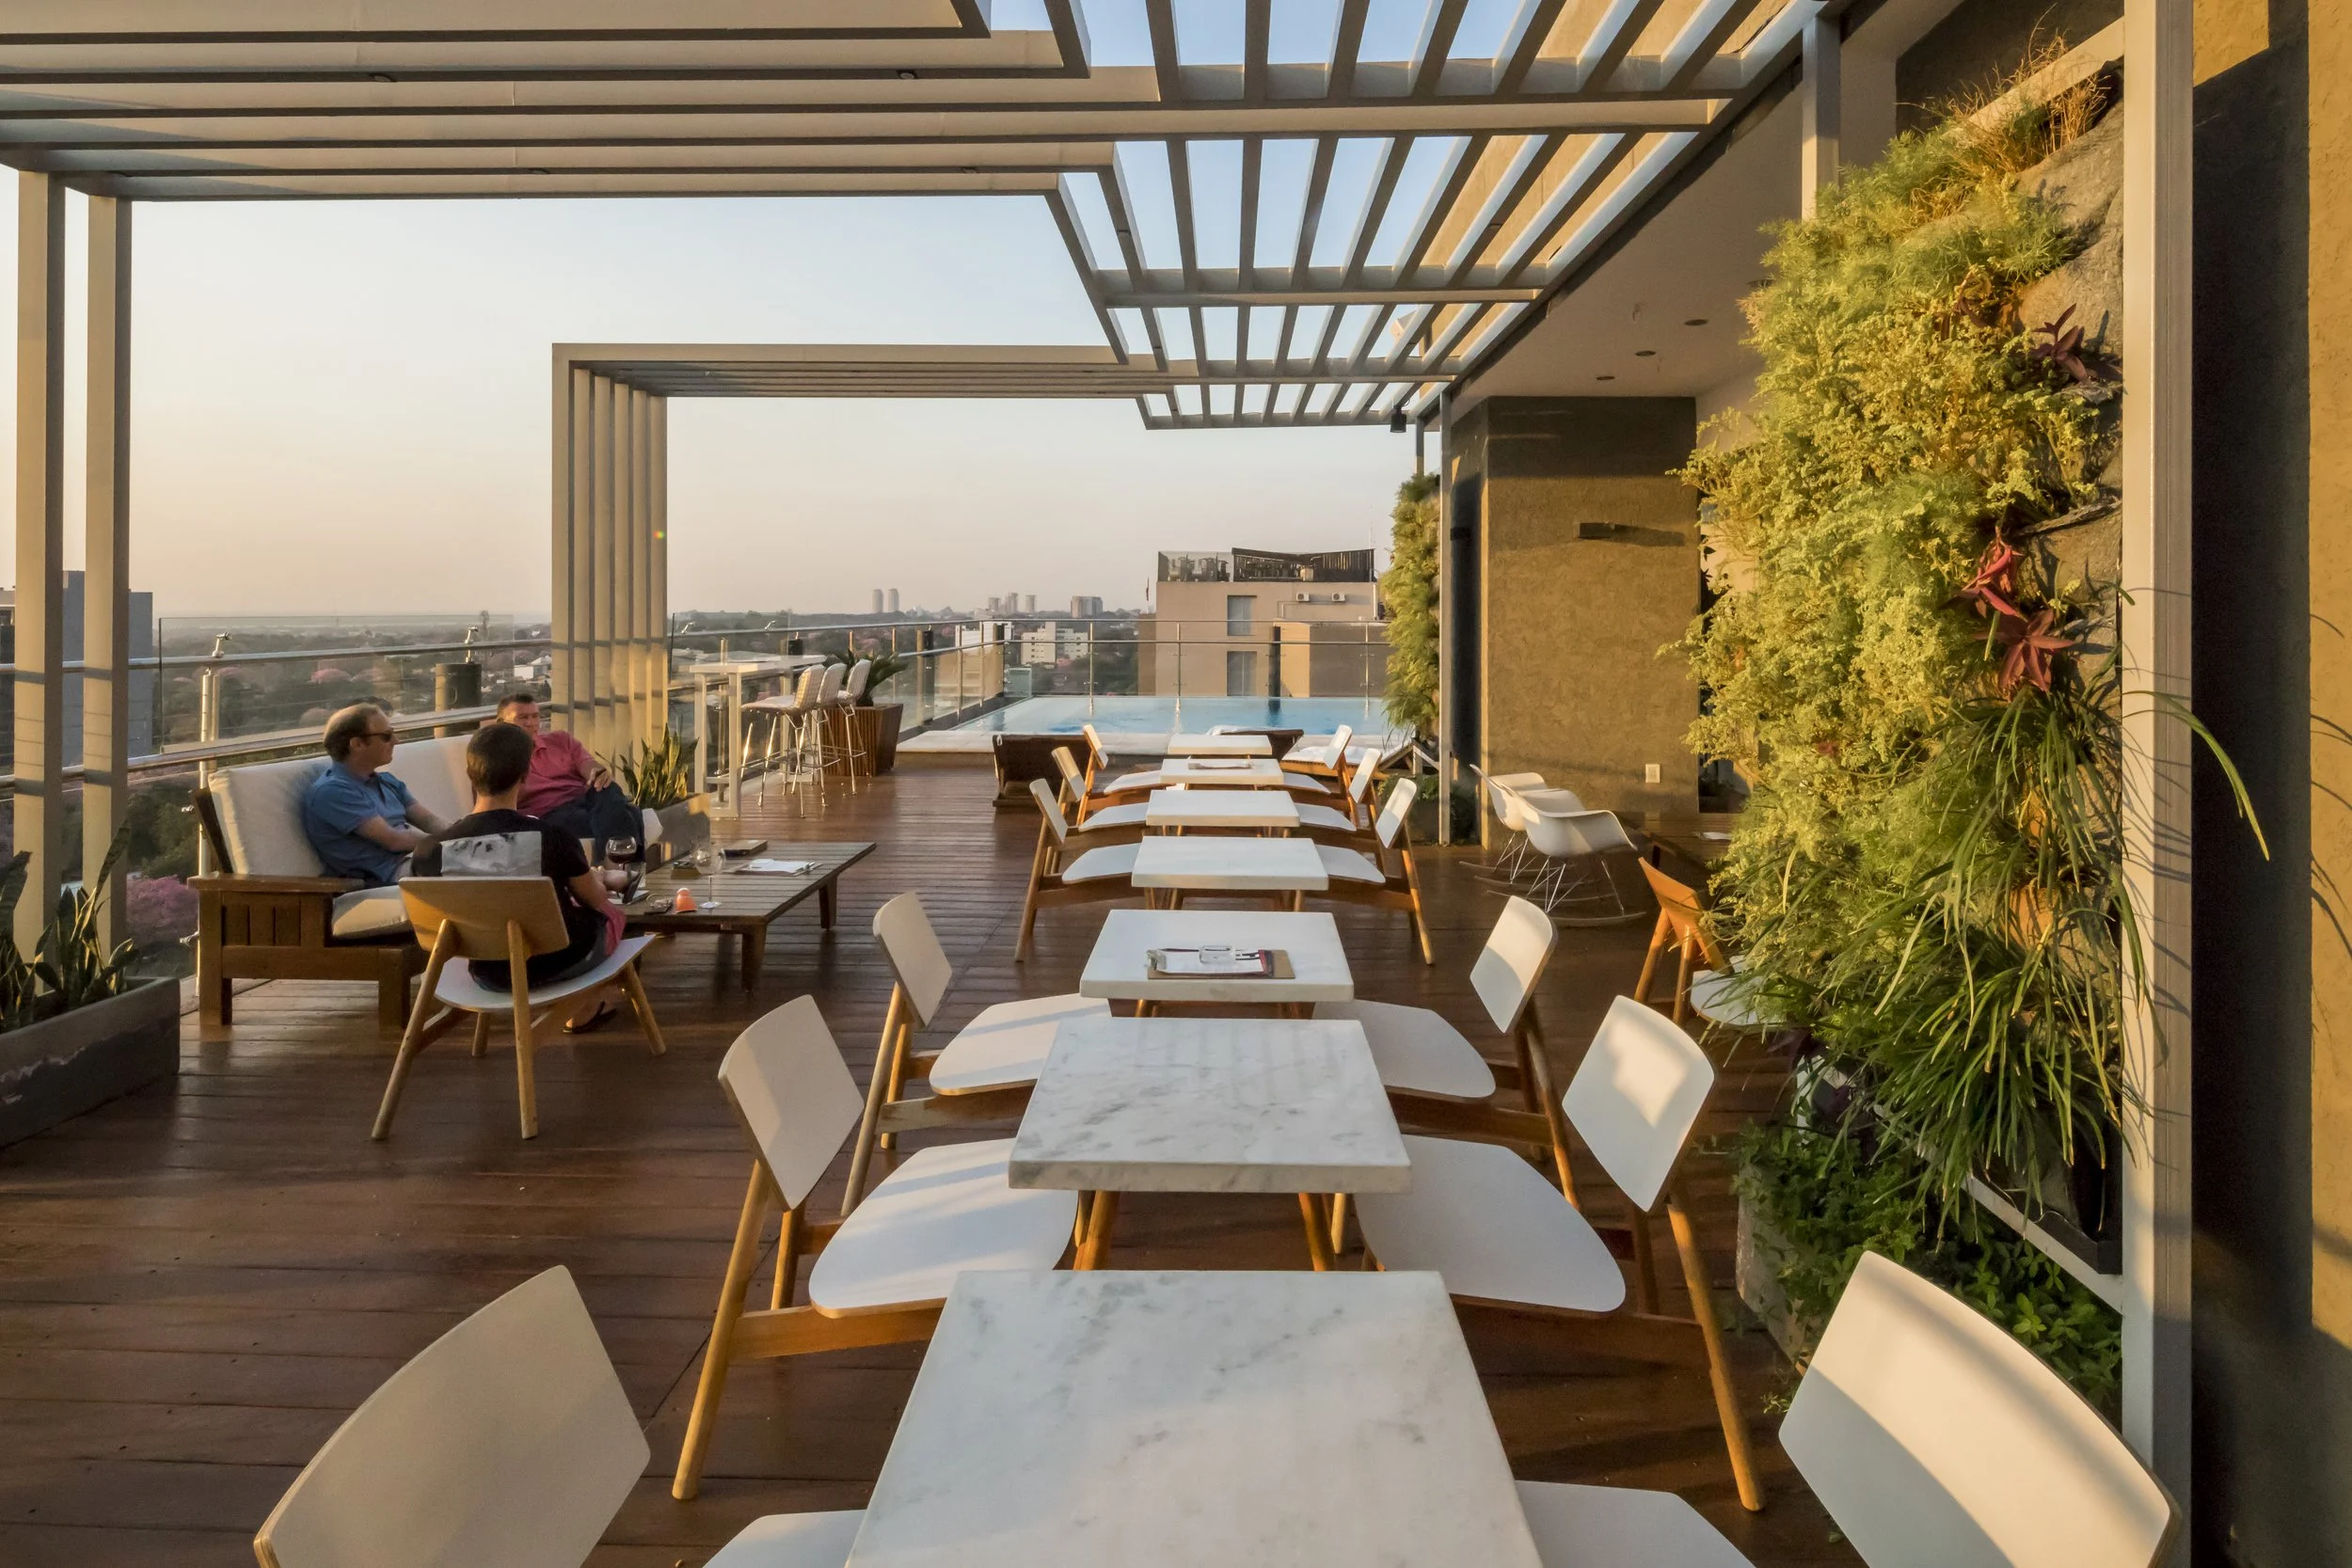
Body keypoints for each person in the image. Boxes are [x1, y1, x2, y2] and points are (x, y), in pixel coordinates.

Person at [412, 721, 628, 1030]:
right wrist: (603, 880)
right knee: (609, 914)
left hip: (484, 970)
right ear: (525, 775)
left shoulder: (429, 851)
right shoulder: (552, 837)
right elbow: (595, 900)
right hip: (556, 961)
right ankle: (583, 1006)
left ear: (470, 774)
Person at [301, 704, 447, 887]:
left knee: (486, 857)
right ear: (357, 744)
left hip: (416, 861)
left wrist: (467, 833)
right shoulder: (333, 792)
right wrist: (450, 842)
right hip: (388, 876)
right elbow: (394, 841)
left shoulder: (387, 781)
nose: (396, 741)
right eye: (386, 736)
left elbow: (429, 821)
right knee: (480, 866)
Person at [495, 691, 645, 862]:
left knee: (607, 786)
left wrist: (597, 772)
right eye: (522, 718)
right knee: (630, 812)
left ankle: (616, 873)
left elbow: (587, 764)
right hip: (550, 812)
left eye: (535, 716)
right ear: (502, 723)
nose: (531, 723)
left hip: (587, 800)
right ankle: (627, 873)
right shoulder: (499, 757)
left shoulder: (560, 739)